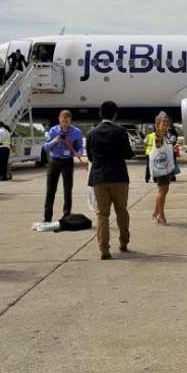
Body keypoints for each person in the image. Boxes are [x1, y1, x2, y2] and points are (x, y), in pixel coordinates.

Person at [86, 101, 134, 260]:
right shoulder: (120, 131)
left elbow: (90, 157)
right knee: (121, 211)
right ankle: (124, 242)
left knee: (102, 215)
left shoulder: (91, 133)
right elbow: (128, 154)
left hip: (99, 178)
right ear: (115, 114)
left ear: (100, 114)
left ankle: (104, 249)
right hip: (119, 177)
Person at [42, 110, 84, 222]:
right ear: (59, 119)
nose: (64, 123)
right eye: (62, 121)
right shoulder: (53, 130)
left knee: (68, 189)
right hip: (54, 161)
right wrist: (54, 141)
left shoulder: (77, 132)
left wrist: (79, 152)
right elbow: (45, 147)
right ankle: (47, 217)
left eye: (66, 121)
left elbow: (80, 146)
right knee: (50, 189)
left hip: (67, 162)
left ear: (70, 120)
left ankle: (66, 216)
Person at [148, 111, 178, 225]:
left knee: (163, 190)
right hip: (161, 167)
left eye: (167, 122)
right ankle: (161, 215)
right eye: (163, 122)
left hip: (164, 167)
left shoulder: (166, 135)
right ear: (158, 124)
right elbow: (159, 144)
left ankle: (156, 212)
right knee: (163, 191)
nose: (166, 124)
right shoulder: (159, 134)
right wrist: (159, 124)